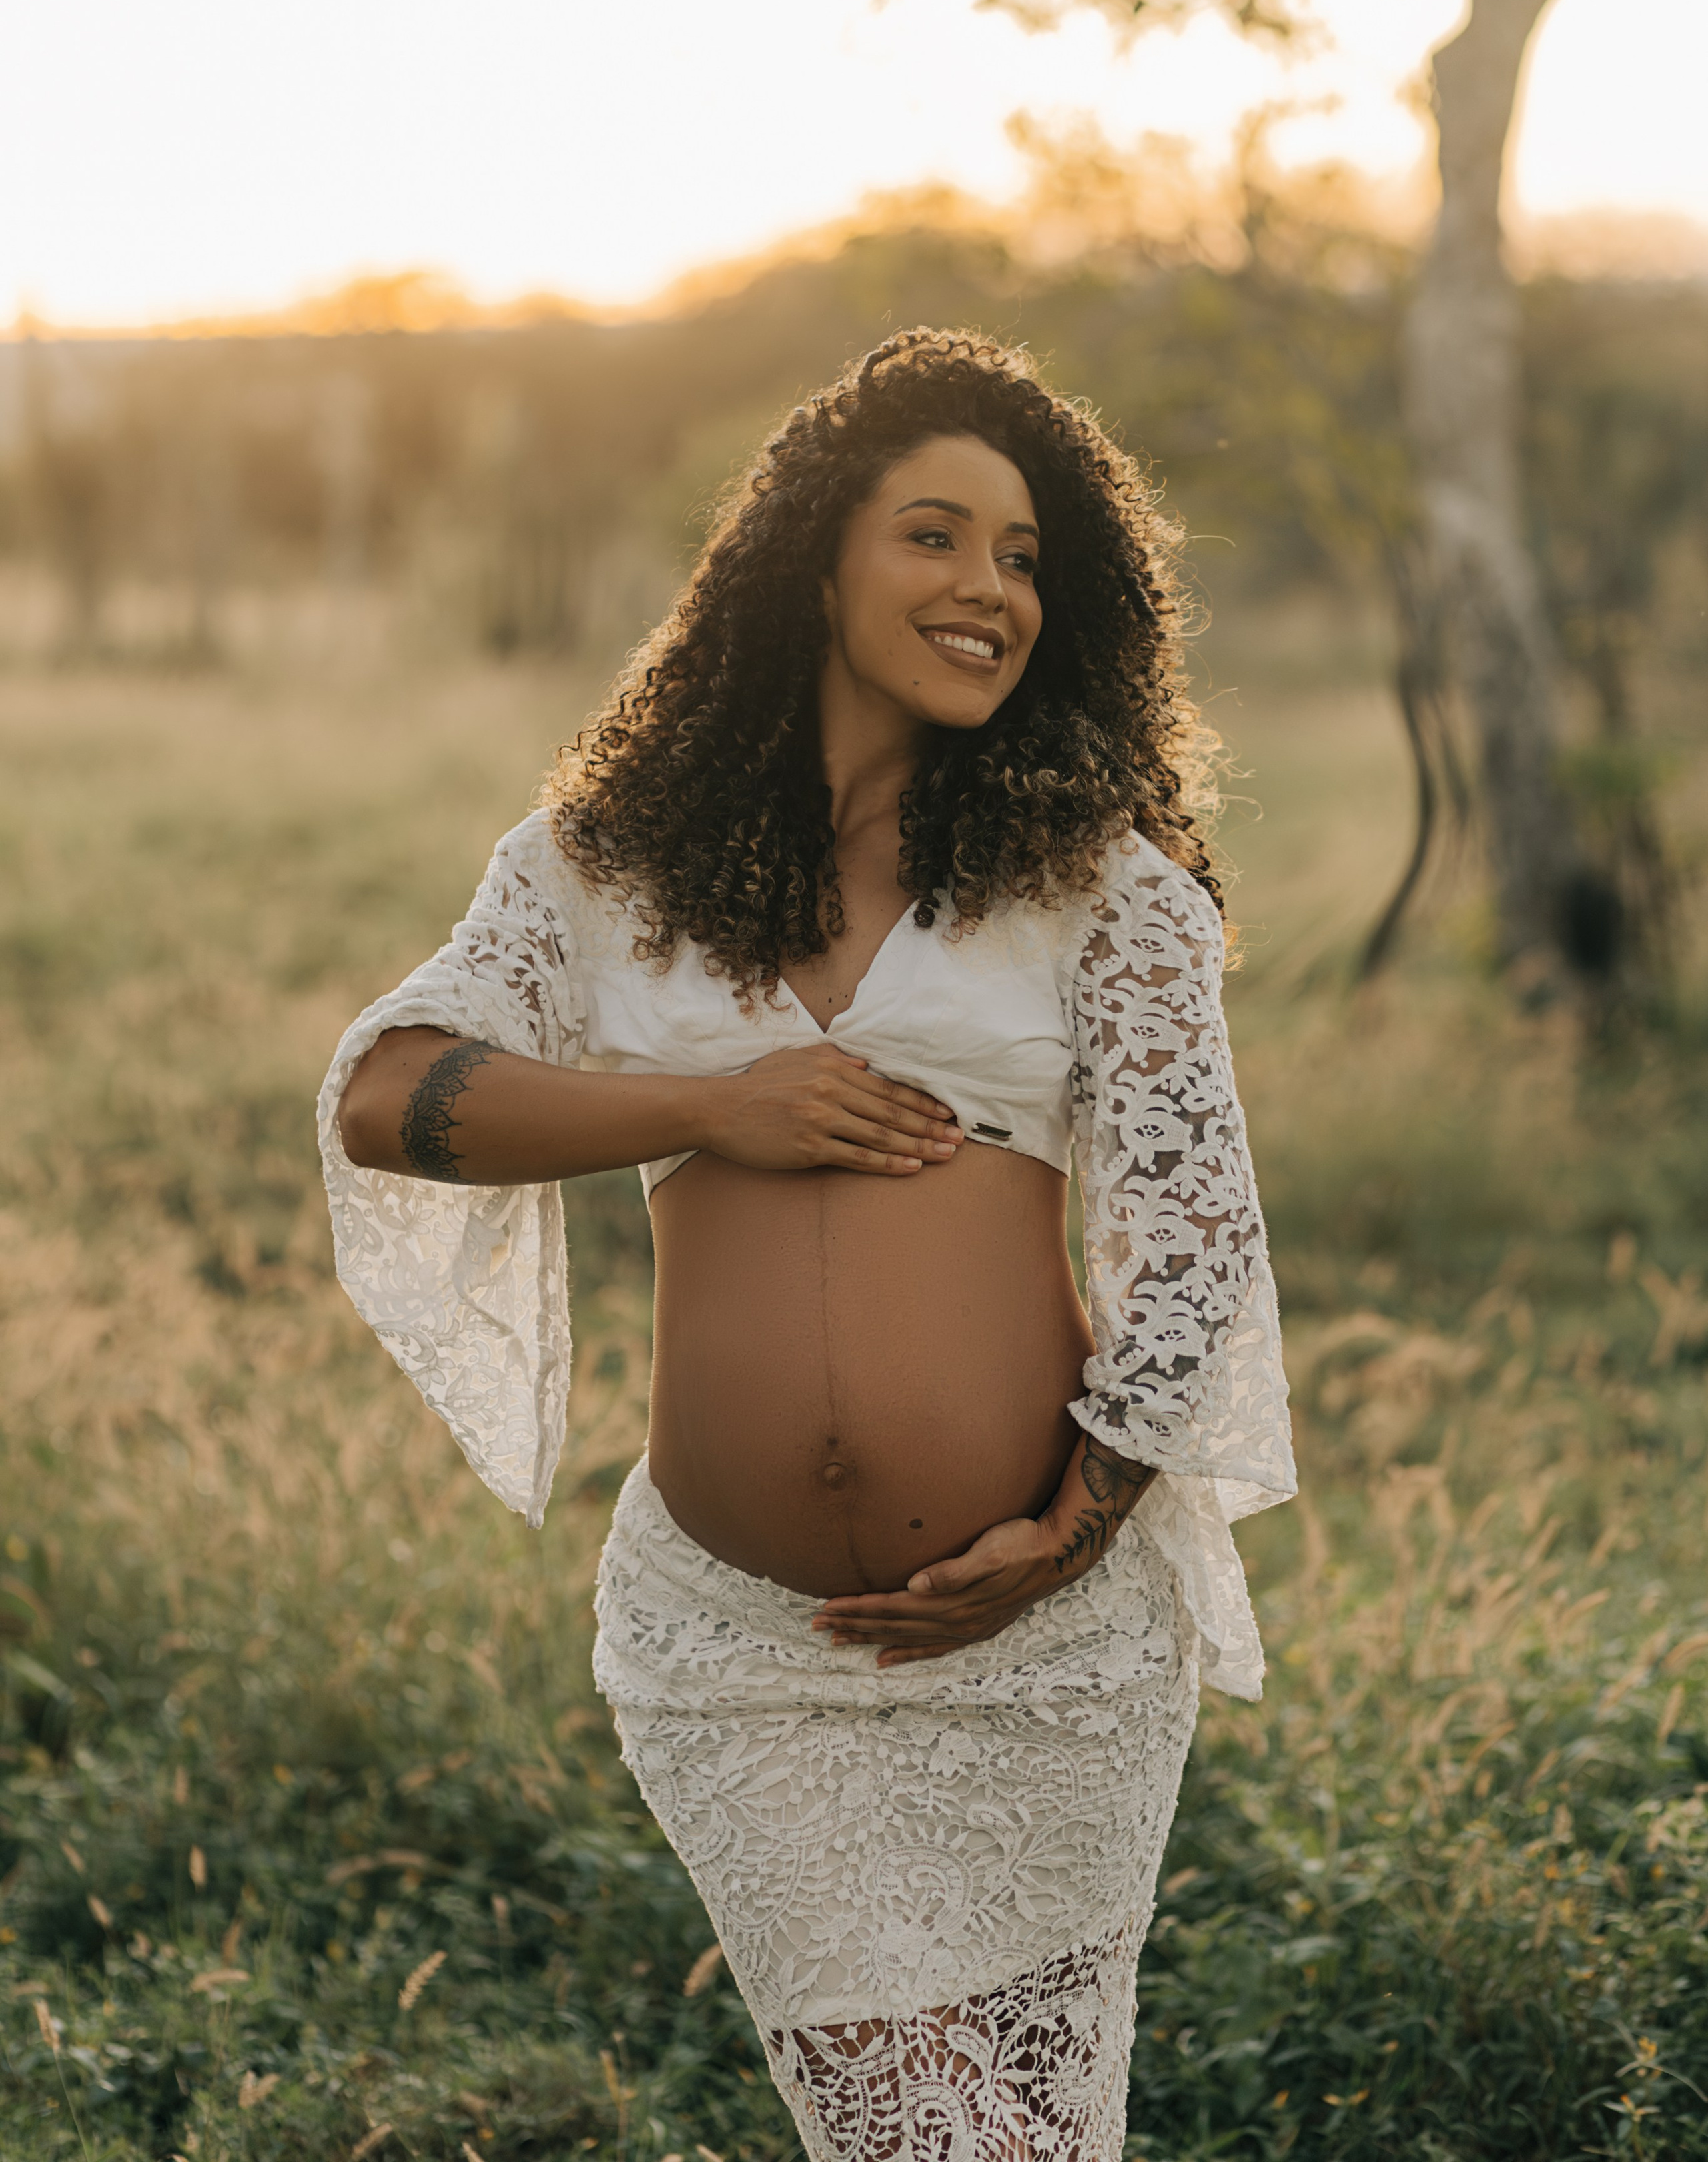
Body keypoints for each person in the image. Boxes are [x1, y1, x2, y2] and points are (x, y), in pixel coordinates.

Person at [320, 328, 1294, 2162]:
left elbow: (1199, 1239)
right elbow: (389, 1093)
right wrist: (711, 1103)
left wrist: (1068, 1533)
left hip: (1051, 1647)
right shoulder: (606, 868)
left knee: (1025, 2139)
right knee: (934, 2140)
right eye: (936, 536)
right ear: (814, 560)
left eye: (1024, 560)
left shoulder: (1105, 884)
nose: (988, 589)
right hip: (735, 1642)